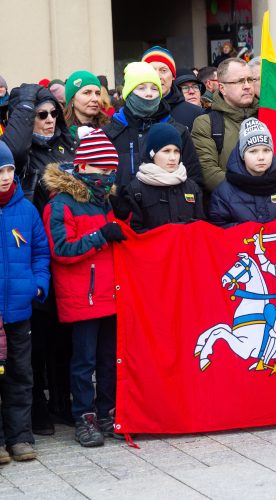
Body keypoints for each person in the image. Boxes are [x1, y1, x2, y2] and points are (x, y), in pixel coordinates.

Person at [42, 129, 127, 447]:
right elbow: (61, 250)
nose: (107, 176)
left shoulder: (103, 200)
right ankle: (84, 416)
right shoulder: (61, 204)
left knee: (108, 358)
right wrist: (101, 236)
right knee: (84, 361)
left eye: (110, 171)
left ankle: (107, 412)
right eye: (101, 170)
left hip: (108, 293)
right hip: (83, 296)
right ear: (82, 166)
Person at [1, 83, 76, 435]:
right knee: (33, 346)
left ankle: (62, 402)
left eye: (52, 114)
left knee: (63, 336)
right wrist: (27, 102)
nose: (48, 120)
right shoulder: (18, 152)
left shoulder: (68, 144)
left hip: (61, 248)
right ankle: (37, 411)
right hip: (26, 250)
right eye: (39, 115)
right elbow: (13, 148)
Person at [0, 141, 50, 463]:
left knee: (20, 375)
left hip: (19, 312)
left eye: (8, 170)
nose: (5, 177)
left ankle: (19, 438)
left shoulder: (26, 210)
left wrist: (38, 284)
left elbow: (41, 253)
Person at [103, 61, 202, 190]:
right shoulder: (109, 134)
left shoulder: (179, 131)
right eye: (141, 88)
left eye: (154, 88)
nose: (149, 93)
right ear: (129, 93)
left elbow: (194, 180)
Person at [209, 118, 276, 227]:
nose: (261, 157)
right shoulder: (223, 194)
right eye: (253, 151)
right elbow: (217, 229)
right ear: (242, 155)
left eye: (266, 150)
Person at [117, 123, 204, 233]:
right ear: (152, 154)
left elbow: (201, 227)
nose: (172, 158)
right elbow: (134, 233)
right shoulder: (135, 190)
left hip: (186, 249)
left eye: (176, 151)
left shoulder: (192, 187)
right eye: (166, 151)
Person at [192, 58, 259, 192]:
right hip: (229, 207)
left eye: (250, 80)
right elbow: (209, 174)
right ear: (222, 88)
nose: (247, 86)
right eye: (239, 81)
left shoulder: (267, 117)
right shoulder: (206, 124)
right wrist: (253, 189)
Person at [142, 46, 204, 131]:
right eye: (151, 70)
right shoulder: (130, 114)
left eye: (163, 70)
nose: (157, 76)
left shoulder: (197, 114)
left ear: (173, 76)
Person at [64, 70, 109, 138]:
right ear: (72, 99)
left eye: (97, 93)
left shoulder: (110, 129)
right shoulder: (62, 133)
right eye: (87, 93)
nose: (95, 99)